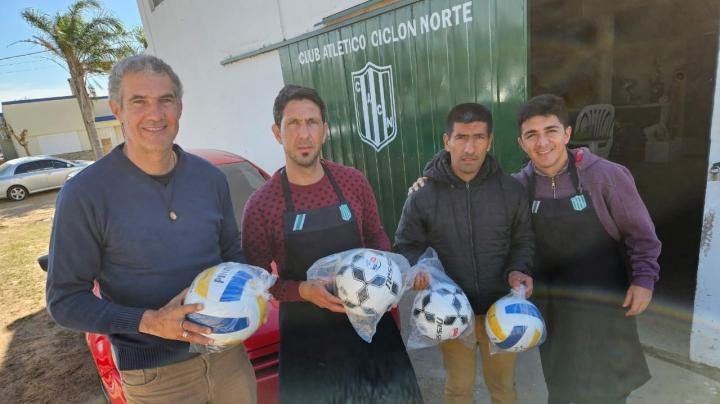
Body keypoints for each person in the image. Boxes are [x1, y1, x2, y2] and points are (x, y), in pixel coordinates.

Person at [46, 55, 256, 404]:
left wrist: (254, 283)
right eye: (139, 101)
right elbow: (64, 300)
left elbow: (231, 254)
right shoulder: (85, 193)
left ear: (180, 108)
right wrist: (149, 321)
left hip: (230, 362)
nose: (155, 114)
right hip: (157, 378)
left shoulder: (210, 179)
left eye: (165, 100)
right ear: (117, 110)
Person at [241, 85, 423, 403]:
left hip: (371, 329)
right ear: (276, 132)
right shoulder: (262, 205)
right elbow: (257, 283)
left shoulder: (353, 182)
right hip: (308, 341)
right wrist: (302, 290)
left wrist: (391, 278)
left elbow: (376, 237)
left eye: (312, 123)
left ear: (325, 130)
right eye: (293, 124)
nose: (304, 134)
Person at [514, 94, 659, 404]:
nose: (542, 143)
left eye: (551, 131)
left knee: (608, 388)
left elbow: (642, 235)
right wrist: (431, 176)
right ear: (521, 143)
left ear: (567, 134)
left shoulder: (605, 176)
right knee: (562, 385)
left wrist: (644, 280)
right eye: (532, 135)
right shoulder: (517, 187)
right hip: (553, 305)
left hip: (604, 300)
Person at [395, 103, 535, 404]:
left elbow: (524, 240)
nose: (469, 147)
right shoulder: (423, 196)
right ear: (447, 141)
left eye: (478, 137)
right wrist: (420, 271)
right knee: (459, 388)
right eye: (461, 137)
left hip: (501, 311)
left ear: (490, 140)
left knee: (503, 388)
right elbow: (406, 245)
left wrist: (519, 269)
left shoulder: (510, 191)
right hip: (451, 312)